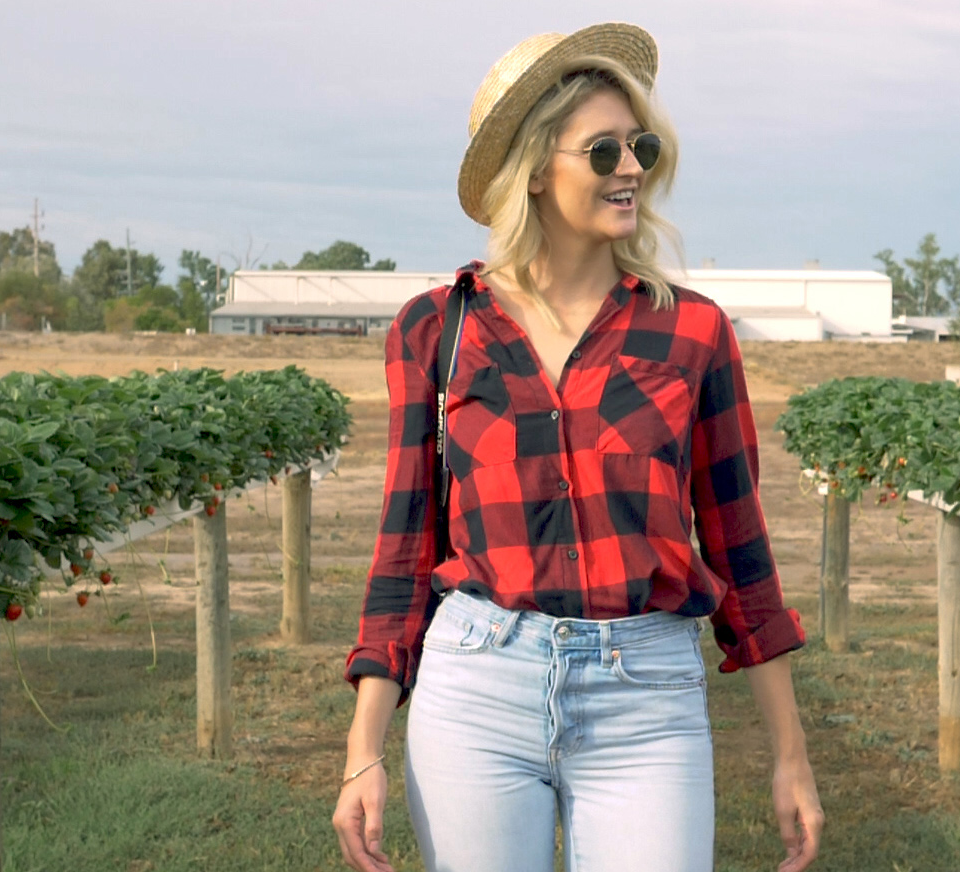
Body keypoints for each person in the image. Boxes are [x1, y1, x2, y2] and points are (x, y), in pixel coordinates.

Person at [332, 22, 824, 872]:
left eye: (640, 146)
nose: (632, 167)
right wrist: (363, 748)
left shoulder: (691, 331)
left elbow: (742, 554)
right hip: (476, 689)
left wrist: (791, 754)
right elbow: (405, 550)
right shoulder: (436, 331)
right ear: (531, 170)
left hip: (648, 697)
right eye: (603, 151)